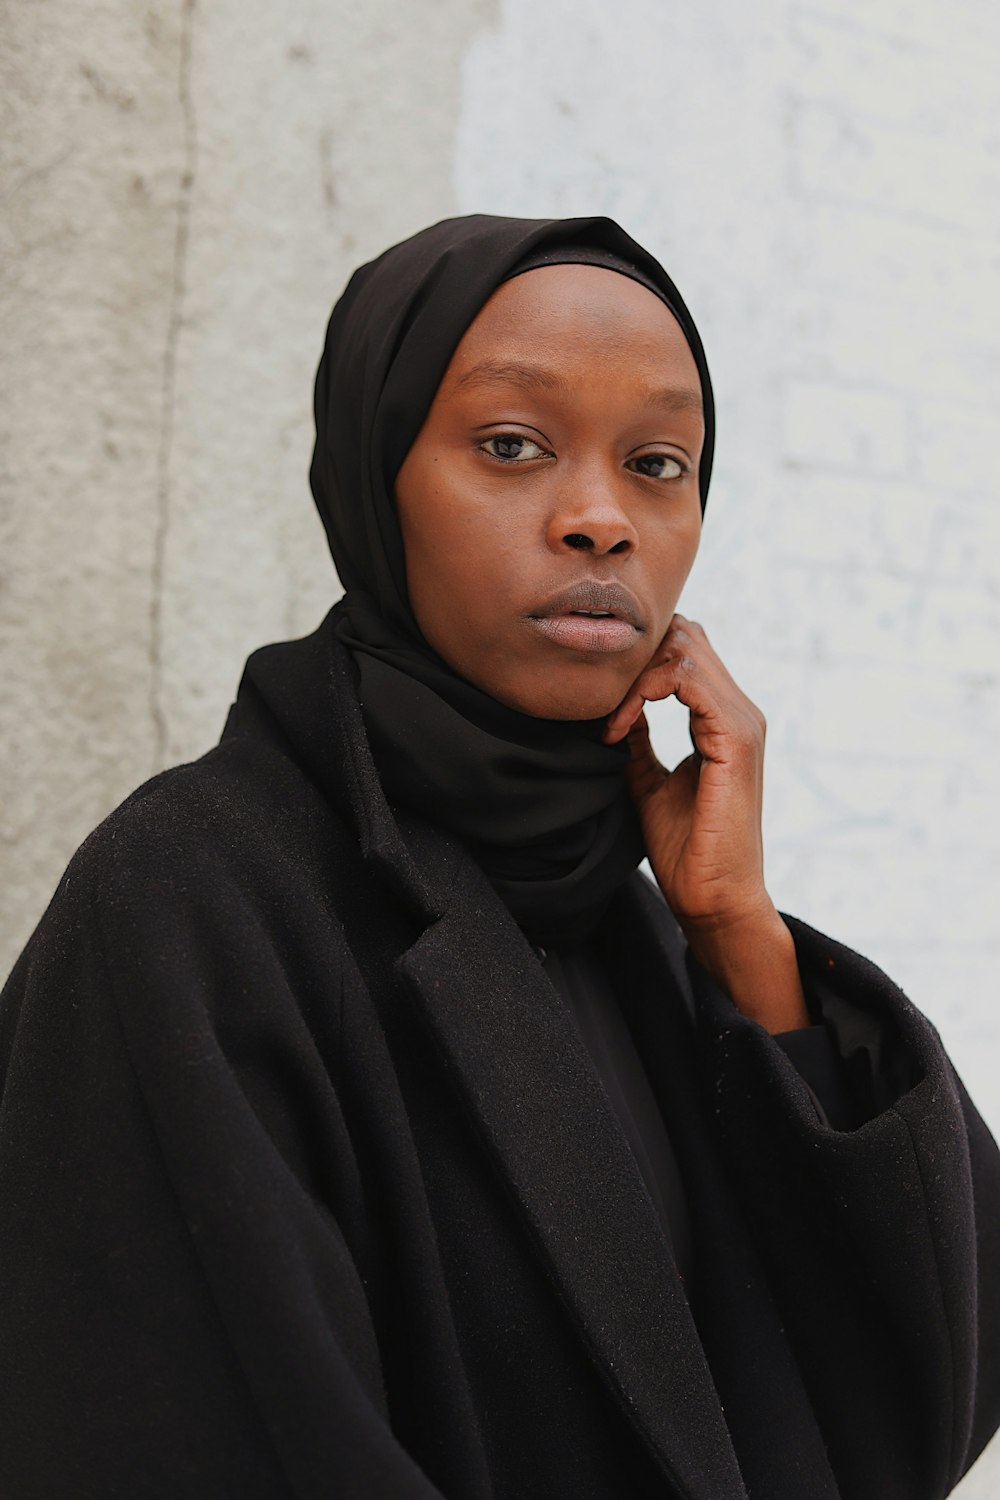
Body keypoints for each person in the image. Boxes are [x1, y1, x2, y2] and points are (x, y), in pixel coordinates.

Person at [1, 214, 998, 1500]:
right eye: (511, 444)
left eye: (657, 461)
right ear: (374, 477)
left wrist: (746, 943)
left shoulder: (646, 932)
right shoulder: (193, 904)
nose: (600, 520)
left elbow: (921, 1403)